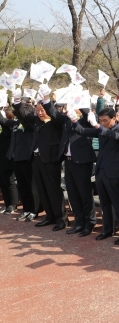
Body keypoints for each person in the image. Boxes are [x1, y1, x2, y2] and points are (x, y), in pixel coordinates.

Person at [73, 107, 119, 244]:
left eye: (105, 120)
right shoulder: (101, 130)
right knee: (104, 203)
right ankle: (107, 229)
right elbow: (82, 131)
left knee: (118, 203)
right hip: (101, 170)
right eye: (100, 121)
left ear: (114, 118)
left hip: (114, 171)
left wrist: (97, 126)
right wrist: (74, 120)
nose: (103, 123)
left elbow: (115, 136)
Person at [14, 87, 67, 231]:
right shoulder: (37, 120)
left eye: (42, 110)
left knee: (53, 189)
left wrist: (46, 99)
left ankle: (60, 218)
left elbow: (54, 114)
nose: (40, 113)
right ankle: (49, 216)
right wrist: (17, 102)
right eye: (38, 110)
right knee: (42, 189)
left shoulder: (56, 121)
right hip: (36, 159)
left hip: (50, 160)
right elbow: (24, 115)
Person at [45, 100, 97, 236]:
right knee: (73, 193)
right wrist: (46, 99)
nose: (68, 109)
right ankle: (79, 222)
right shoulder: (67, 120)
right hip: (68, 162)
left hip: (82, 162)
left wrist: (78, 100)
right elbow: (53, 113)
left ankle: (89, 222)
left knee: (84, 193)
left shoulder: (85, 120)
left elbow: (87, 112)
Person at [0, 98, 38, 221]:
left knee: (31, 186)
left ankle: (34, 210)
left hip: (27, 158)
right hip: (15, 158)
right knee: (22, 186)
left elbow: (27, 123)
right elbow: (4, 120)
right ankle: (26, 209)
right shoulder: (17, 123)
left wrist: (18, 108)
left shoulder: (31, 124)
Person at [0, 106, 18, 214]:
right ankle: (7, 204)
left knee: (10, 182)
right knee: (2, 182)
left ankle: (13, 204)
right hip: (1, 159)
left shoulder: (10, 126)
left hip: (7, 159)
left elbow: (3, 122)